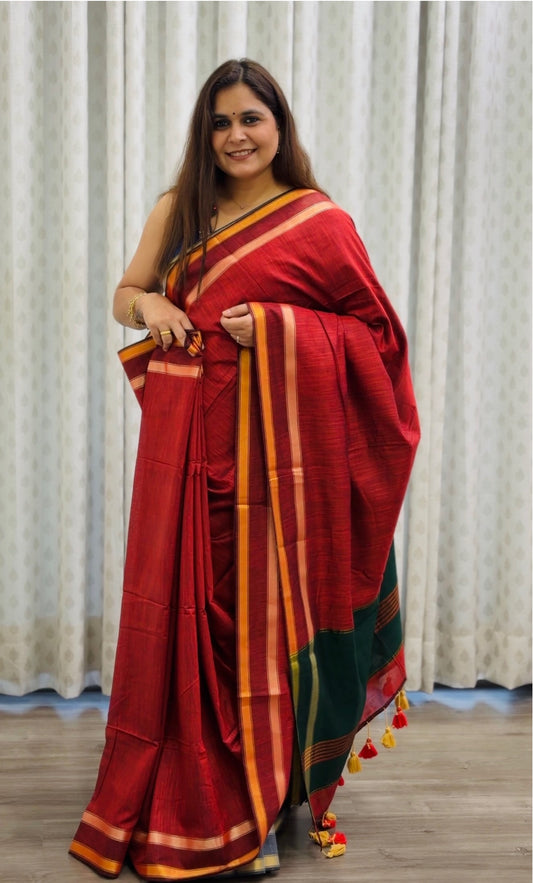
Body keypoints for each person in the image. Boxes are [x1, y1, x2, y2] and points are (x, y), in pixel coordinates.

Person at [69, 58, 420, 881]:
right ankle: (201, 791)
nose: (235, 135)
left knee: (266, 638)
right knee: (195, 623)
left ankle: (258, 805)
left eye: (250, 119)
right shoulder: (178, 209)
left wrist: (279, 330)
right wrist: (147, 304)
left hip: (285, 472)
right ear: (205, 132)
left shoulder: (319, 222)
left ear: (278, 127)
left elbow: (377, 343)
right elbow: (126, 290)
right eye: (220, 121)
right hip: (188, 455)